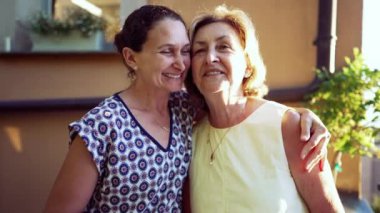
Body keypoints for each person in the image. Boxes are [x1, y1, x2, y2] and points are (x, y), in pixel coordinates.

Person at [44, 4, 331, 213]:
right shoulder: (102, 126)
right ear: (131, 58)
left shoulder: (184, 111)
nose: (181, 63)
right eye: (167, 51)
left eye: (184, 51)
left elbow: (242, 111)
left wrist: (302, 116)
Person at [186, 5, 345, 213]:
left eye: (223, 47)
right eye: (200, 50)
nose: (210, 58)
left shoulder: (290, 127)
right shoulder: (190, 138)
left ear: (248, 66)